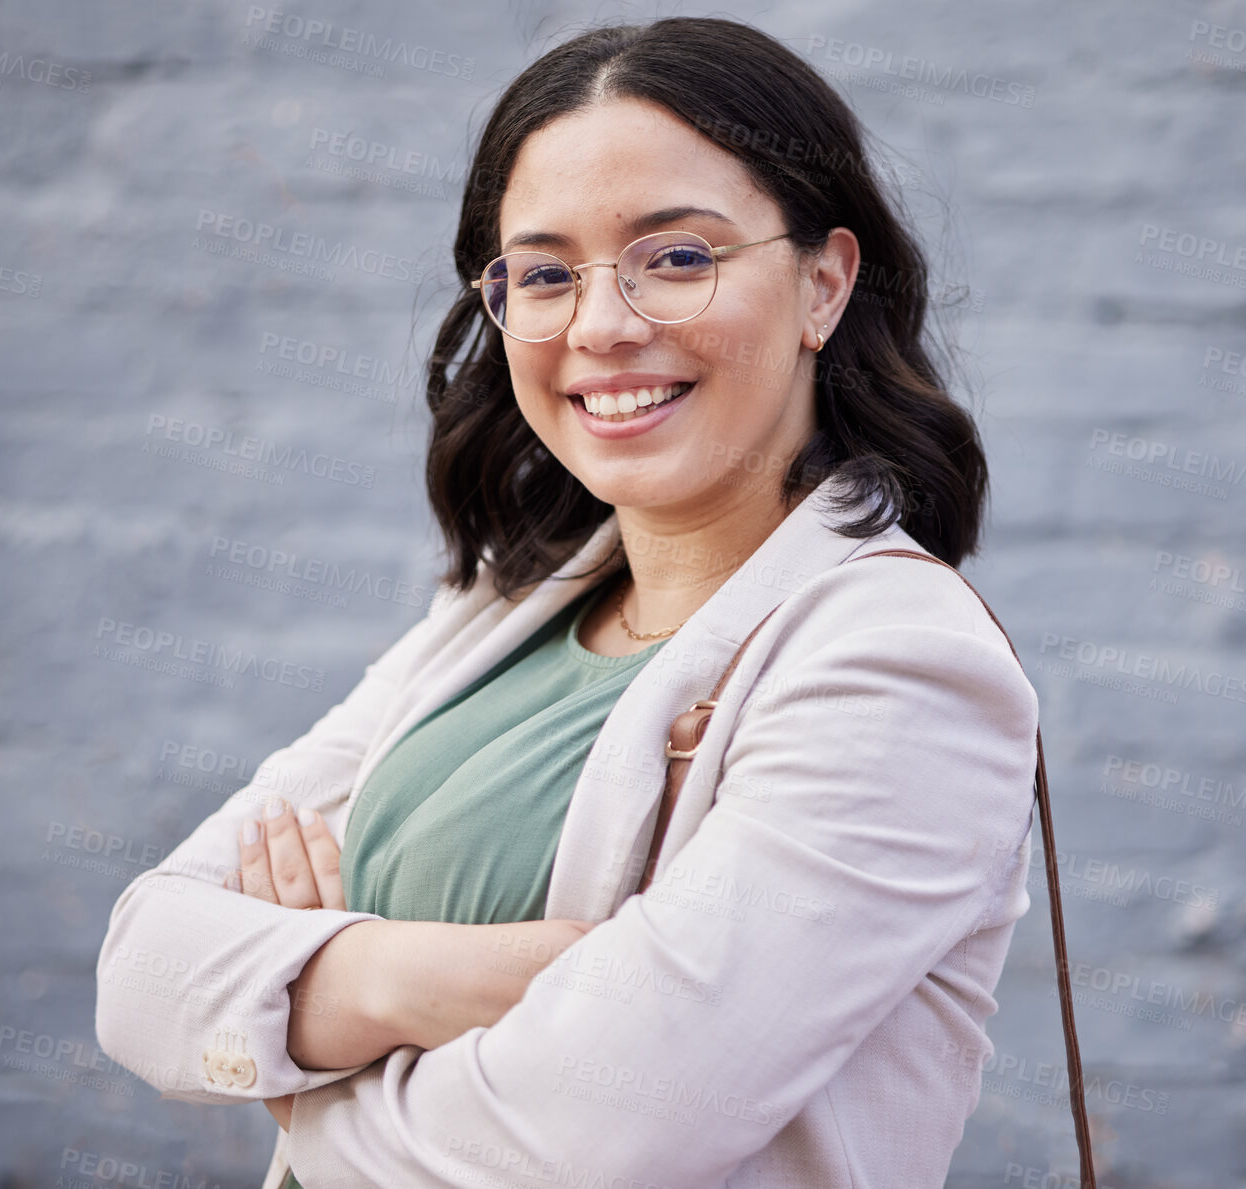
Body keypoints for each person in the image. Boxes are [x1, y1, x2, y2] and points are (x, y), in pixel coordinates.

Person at [95, 16, 1041, 1188]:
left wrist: (304, 1064)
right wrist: (405, 974)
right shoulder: (507, 607)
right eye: (544, 275)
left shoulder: (898, 662)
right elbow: (140, 969)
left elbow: (594, 1137)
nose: (600, 325)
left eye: (677, 257)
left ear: (823, 283)